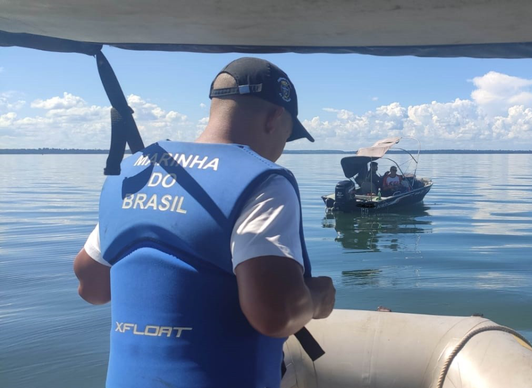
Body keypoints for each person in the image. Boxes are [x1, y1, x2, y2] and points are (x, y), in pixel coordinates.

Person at [72, 57, 336, 388]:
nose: (281, 148)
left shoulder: (134, 171)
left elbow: (91, 286)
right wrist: (318, 297)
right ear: (275, 118)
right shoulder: (264, 182)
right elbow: (276, 313)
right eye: (288, 136)